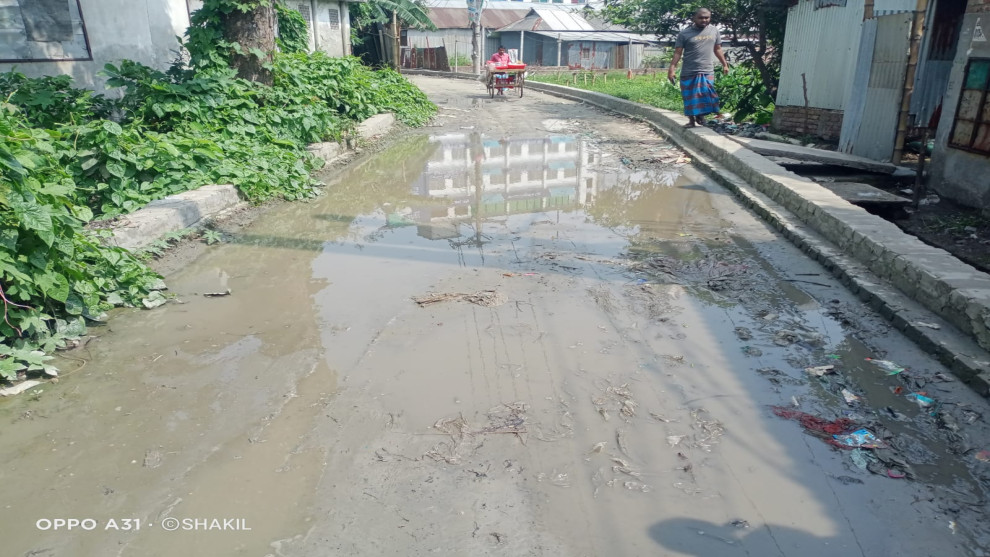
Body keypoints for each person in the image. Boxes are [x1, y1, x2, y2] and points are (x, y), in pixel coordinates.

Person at [667, 8, 729, 128]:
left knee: (706, 95)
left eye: (707, 17)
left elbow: (718, 49)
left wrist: (724, 64)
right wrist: (672, 69)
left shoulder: (714, 31)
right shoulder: (684, 34)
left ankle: (701, 116)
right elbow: (678, 53)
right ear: (694, 18)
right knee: (689, 96)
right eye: (701, 17)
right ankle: (691, 121)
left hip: (707, 70)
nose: (704, 20)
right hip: (689, 71)